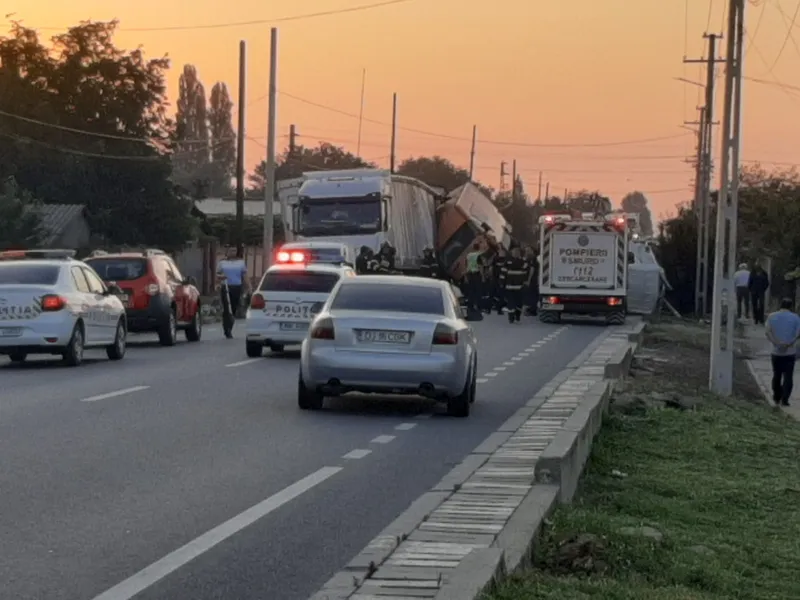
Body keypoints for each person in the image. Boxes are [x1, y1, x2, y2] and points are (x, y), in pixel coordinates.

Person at [765, 297, 800, 407]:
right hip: (790, 352)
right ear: (791, 306)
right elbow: (798, 334)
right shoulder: (796, 318)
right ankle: (785, 399)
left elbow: (768, 332)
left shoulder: (771, 316)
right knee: (788, 376)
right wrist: (789, 343)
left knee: (777, 374)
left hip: (776, 352)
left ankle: (776, 396)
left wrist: (776, 343)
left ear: (780, 305)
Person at [216, 247, 248, 339]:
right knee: (227, 307)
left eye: (234, 250)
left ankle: (230, 325)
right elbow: (217, 275)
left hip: (237, 287)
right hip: (226, 287)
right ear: (227, 252)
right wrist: (220, 279)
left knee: (233, 308)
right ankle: (227, 329)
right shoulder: (222, 263)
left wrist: (248, 287)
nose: (233, 252)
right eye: (230, 250)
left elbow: (245, 275)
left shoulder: (240, 262)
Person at [500, 246, 531, 323]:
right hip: (509, 286)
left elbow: (527, 270)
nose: (516, 253)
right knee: (511, 302)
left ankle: (517, 315)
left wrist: (526, 281)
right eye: (514, 252)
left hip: (519, 287)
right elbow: (503, 272)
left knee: (519, 303)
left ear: (519, 253)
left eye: (517, 252)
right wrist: (501, 282)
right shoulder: (507, 261)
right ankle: (511, 317)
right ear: (512, 252)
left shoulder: (523, 262)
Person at [464, 243, 484, 315]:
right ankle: (479, 307)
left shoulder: (468, 255)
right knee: (478, 291)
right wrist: (482, 276)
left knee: (471, 291)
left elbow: (466, 265)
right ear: (478, 248)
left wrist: (466, 275)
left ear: (473, 248)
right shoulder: (479, 255)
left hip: (469, 274)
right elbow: (480, 266)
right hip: (476, 274)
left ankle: (470, 306)